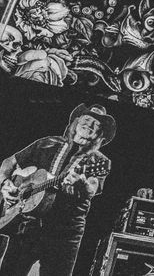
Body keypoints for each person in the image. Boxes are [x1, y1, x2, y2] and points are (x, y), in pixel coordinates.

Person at [0, 104, 114, 276]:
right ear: (76, 121)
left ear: (100, 134)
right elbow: (8, 163)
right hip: (27, 227)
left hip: (64, 235)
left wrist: (82, 183)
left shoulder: (100, 161)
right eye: (87, 119)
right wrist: (4, 184)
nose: (89, 125)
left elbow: (92, 187)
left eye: (96, 124)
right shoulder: (47, 143)